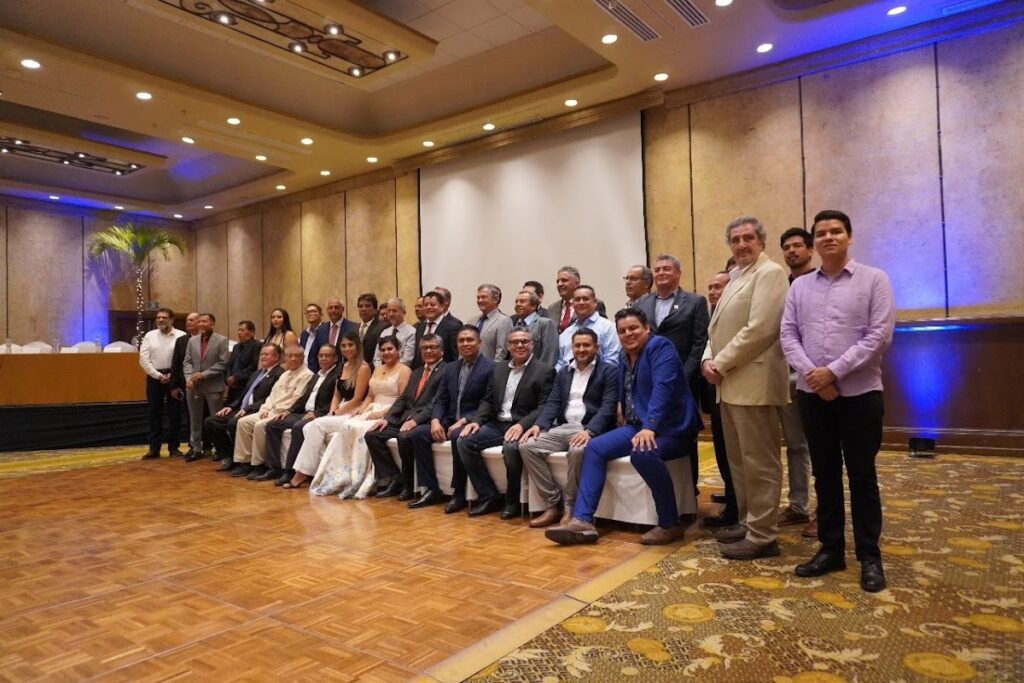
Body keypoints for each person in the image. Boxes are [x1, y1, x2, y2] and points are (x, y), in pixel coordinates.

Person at [781, 210, 895, 593]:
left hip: (861, 394)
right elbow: (788, 335)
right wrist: (814, 375)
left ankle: (870, 555)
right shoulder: (799, 287)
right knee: (825, 474)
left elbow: (879, 335)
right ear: (815, 243)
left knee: (862, 475)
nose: (829, 237)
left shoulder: (874, 280)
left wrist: (834, 372)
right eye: (822, 233)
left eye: (836, 231)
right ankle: (831, 548)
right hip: (813, 396)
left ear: (849, 237)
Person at [546, 308, 701, 546]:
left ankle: (670, 523)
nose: (628, 334)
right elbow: (625, 388)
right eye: (622, 331)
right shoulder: (623, 356)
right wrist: (621, 407)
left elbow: (664, 388)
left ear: (647, 328)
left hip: (672, 429)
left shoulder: (660, 348)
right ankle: (583, 520)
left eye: (633, 328)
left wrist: (650, 426)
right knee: (594, 447)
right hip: (638, 425)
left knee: (643, 454)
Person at [702, 216, 790, 561]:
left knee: (760, 463)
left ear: (761, 242)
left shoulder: (770, 274)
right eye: (735, 239)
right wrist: (709, 361)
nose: (741, 244)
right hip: (730, 384)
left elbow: (761, 329)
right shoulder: (737, 276)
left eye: (748, 238)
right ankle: (747, 523)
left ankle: (764, 535)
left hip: (753, 382)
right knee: (739, 462)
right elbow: (717, 328)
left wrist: (719, 364)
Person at [519, 327, 618, 528]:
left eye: (586, 345)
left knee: (578, 450)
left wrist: (590, 431)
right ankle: (552, 504)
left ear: (596, 347)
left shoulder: (609, 371)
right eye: (577, 345)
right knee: (527, 446)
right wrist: (539, 425)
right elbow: (553, 403)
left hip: (590, 427)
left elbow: (608, 407)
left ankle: (571, 506)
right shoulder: (564, 372)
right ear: (572, 348)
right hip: (564, 426)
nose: (581, 349)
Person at [457, 329, 555, 519]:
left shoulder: (545, 371)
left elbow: (544, 406)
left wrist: (523, 425)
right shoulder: (499, 369)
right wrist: (476, 421)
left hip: (523, 427)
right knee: (464, 441)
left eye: (524, 342)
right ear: (508, 346)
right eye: (515, 342)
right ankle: (489, 496)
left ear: (532, 345)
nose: (520, 345)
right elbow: (487, 400)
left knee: (511, 449)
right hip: (497, 424)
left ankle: (512, 501)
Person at [636, 254, 709, 498]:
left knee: (684, 431)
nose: (661, 273)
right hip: (650, 381)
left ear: (678, 273)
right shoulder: (642, 304)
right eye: (657, 269)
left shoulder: (695, 302)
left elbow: (700, 342)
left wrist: (683, 375)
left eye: (667, 269)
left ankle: (691, 488)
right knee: (654, 427)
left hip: (685, 381)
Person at [310, 336, 411, 498]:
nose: (386, 352)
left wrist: (382, 413)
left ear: (398, 350)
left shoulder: (404, 370)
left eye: (390, 349)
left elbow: (403, 398)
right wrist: (362, 410)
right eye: (383, 350)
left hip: (390, 411)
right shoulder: (378, 369)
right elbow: (370, 396)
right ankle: (343, 475)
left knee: (362, 429)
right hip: (371, 408)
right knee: (348, 425)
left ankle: (365, 478)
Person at [415, 326, 496, 511]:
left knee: (457, 436)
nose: (465, 344)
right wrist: (435, 420)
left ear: (480, 343)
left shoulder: (492, 368)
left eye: (470, 340)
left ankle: (458, 492)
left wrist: (465, 420)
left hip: (473, 420)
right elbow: (441, 398)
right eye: (461, 340)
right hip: (449, 418)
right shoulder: (451, 368)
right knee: (418, 434)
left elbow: (488, 402)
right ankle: (431, 488)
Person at [284, 330, 371, 489]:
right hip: (339, 410)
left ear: (358, 346)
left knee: (316, 425)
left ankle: (302, 473)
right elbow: (336, 395)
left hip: (355, 412)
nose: (347, 349)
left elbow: (358, 398)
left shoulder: (363, 367)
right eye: (343, 346)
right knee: (308, 427)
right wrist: (332, 411)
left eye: (350, 345)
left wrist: (336, 413)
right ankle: (324, 471)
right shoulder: (343, 366)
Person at [364, 335, 447, 500]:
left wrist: (416, 420)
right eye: (425, 348)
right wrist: (386, 419)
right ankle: (396, 478)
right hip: (404, 418)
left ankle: (412, 486)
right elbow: (402, 399)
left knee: (405, 436)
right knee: (372, 435)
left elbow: (437, 401)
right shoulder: (416, 372)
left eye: (433, 347)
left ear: (442, 351)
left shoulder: (446, 370)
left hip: (427, 419)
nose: (429, 350)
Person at [777, 227, 816, 537]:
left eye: (798, 246)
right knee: (795, 445)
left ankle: (826, 512)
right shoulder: (780, 285)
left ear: (810, 250)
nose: (792, 251)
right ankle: (799, 506)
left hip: (818, 374)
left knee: (823, 448)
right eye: (787, 247)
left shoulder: (819, 282)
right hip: (785, 374)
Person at [256, 345, 341, 483]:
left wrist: (317, 413)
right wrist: (288, 411)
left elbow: (334, 400)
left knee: (298, 427)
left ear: (335, 358)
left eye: (328, 355)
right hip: (303, 412)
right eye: (321, 355)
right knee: (274, 424)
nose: (323, 358)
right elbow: (303, 398)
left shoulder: (336, 376)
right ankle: (274, 468)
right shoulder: (316, 375)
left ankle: (290, 471)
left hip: (318, 414)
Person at [226, 345, 312, 477]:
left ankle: (260, 465)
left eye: (297, 356)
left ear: (302, 358)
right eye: (290, 356)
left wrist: (276, 410)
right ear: (285, 358)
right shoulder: (285, 374)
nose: (293, 358)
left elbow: (296, 398)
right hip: (270, 409)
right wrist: (266, 409)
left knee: (260, 425)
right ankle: (245, 462)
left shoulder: (307, 375)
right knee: (243, 422)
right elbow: (272, 395)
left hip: (284, 411)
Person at [700, 272, 739, 529]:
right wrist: (706, 363)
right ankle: (733, 505)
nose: (713, 292)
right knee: (723, 452)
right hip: (714, 390)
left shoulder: (736, 313)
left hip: (737, 387)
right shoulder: (712, 315)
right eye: (710, 287)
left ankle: (739, 510)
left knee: (739, 456)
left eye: (718, 287)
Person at [209, 344, 284, 470]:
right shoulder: (257, 373)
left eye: (267, 354)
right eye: (261, 354)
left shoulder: (279, 374)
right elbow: (245, 393)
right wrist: (231, 407)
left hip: (257, 410)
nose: (263, 357)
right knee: (212, 421)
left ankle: (243, 461)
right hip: (242, 408)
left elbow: (270, 398)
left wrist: (247, 409)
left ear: (276, 357)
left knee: (234, 423)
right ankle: (228, 456)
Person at [139, 307, 186, 460]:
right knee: (154, 413)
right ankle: (154, 449)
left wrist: (173, 376)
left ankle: (174, 448)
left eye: (164, 317)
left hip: (176, 378)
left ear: (172, 320)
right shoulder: (149, 336)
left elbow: (185, 359)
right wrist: (158, 375)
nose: (160, 320)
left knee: (175, 413)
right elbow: (144, 359)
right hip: (154, 378)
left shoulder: (182, 336)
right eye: (158, 318)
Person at [182, 313, 230, 462]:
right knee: (194, 418)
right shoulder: (192, 341)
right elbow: (187, 362)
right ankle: (195, 448)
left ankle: (218, 448)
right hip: (194, 386)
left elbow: (223, 363)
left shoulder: (221, 340)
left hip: (213, 385)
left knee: (215, 419)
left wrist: (204, 375)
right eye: (200, 321)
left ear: (212, 324)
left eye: (205, 321)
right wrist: (189, 378)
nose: (201, 324)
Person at [554, 285, 621, 371]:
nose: (581, 302)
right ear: (573, 304)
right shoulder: (566, 333)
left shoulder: (608, 328)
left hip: (598, 380)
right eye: (577, 299)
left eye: (585, 299)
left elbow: (612, 360)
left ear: (595, 302)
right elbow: (560, 362)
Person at [169, 312, 200, 456]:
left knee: (205, 416)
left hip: (205, 383)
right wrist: (174, 386)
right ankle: (193, 445)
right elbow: (176, 364)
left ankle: (206, 445)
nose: (188, 323)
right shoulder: (181, 341)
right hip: (186, 384)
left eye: (192, 320)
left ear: (200, 322)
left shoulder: (208, 340)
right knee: (190, 416)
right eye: (187, 320)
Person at [511, 290, 559, 366]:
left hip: (538, 373)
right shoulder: (514, 325)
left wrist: (542, 373)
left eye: (522, 301)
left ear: (533, 306)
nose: (518, 304)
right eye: (516, 302)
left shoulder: (545, 324)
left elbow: (549, 354)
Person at [467, 284, 513, 362]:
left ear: (495, 299)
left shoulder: (504, 321)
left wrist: (494, 371)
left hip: (489, 370)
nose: (480, 300)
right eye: (478, 297)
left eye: (483, 297)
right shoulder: (472, 321)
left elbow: (501, 351)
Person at [413, 291, 459, 367]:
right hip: (421, 373)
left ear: (442, 306)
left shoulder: (452, 327)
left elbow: (454, 356)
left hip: (443, 373)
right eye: (426, 305)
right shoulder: (419, 327)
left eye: (432, 305)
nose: (428, 307)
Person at [222, 320, 259, 408]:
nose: (239, 333)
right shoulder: (236, 347)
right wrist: (227, 378)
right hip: (233, 387)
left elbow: (254, 367)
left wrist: (236, 377)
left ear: (252, 332)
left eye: (242, 330)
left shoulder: (257, 346)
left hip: (246, 385)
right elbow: (230, 365)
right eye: (238, 330)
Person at [374, 299, 417, 366]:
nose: (391, 314)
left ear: (403, 312)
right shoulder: (384, 332)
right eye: (389, 311)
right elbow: (377, 358)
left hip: (402, 372)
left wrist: (392, 372)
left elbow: (407, 360)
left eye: (394, 311)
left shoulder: (411, 332)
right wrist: (381, 370)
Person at [355, 293, 387, 364]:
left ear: (375, 310)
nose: (363, 309)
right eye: (361, 306)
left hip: (374, 369)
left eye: (367, 306)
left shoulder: (383, 327)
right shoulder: (354, 328)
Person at [298, 303, 325, 370]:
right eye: (307, 312)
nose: (310, 314)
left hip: (319, 372)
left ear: (321, 314)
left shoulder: (326, 330)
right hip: (304, 372)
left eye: (313, 311)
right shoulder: (304, 334)